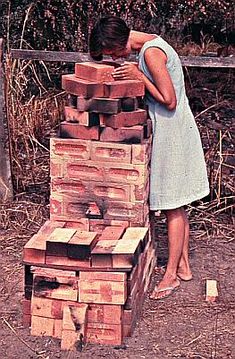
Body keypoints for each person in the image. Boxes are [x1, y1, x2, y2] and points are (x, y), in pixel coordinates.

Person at [89, 16, 210, 300]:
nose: (115, 58)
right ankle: (183, 266)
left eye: (113, 52)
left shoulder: (152, 53)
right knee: (176, 202)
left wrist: (139, 77)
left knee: (171, 205)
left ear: (120, 43)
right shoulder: (151, 45)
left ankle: (170, 276)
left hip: (174, 131)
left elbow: (169, 100)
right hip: (172, 129)